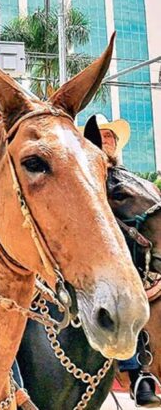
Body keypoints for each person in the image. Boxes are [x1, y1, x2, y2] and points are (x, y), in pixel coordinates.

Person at [82, 114, 157, 405]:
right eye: (101, 136)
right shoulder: (84, 178)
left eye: (110, 137)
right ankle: (137, 372)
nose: (107, 141)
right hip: (101, 257)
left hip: (139, 255)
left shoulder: (129, 178)